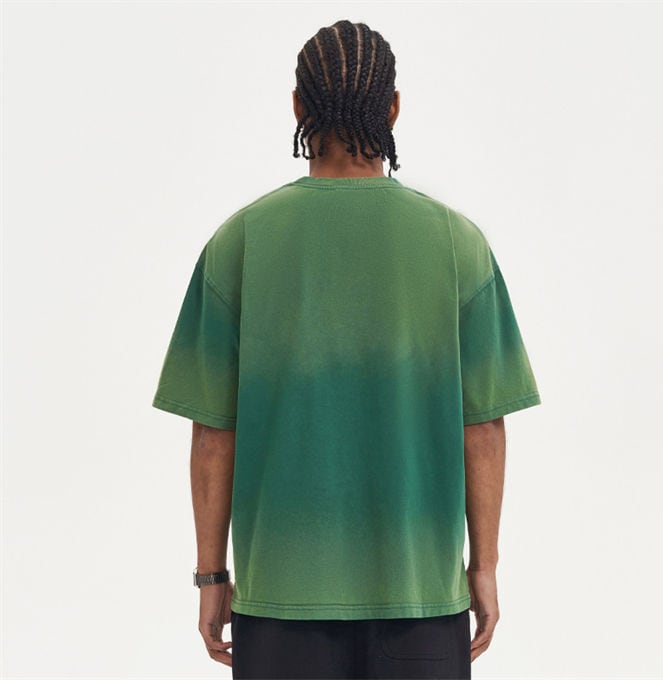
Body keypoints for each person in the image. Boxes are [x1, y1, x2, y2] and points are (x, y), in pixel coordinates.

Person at [151, 19, 541, 680]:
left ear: (297, 108)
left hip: (280, 597)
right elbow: (483, 430)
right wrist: (484, 567)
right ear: (393, 109)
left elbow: (213, 435)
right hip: (421, 594)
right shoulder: (458, 244)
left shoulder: (240, 241)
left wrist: (212, 575)